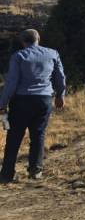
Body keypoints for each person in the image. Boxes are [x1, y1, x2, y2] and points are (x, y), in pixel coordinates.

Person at [0, 29, 65, 183]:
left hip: (21, 101)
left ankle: (6, 174)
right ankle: (35, 171)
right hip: (44, 100)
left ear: (23, 42)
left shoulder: (19, 56)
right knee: (38, 135)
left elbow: (12, 82)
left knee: (14, 137)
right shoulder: (52, 53)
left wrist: (2, 103)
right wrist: (60, 95)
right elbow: (60, 76)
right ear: (38, 39)